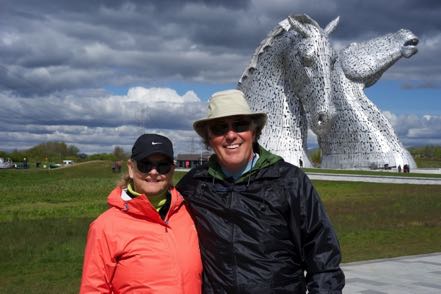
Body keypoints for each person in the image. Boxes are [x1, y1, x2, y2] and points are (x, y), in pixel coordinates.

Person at [177, 89, 345, 293]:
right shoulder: (194, 185)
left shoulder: (288, 181)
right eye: (220, 128)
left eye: (240, 125)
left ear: (254, 131)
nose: (231, 135)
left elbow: (322, 254)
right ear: (209, 137)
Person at [80, 134, 202, 293]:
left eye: (162, 166)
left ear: (172, 170)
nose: (153, 172)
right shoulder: (105, 226)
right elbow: (93, 289)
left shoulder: (190, 213)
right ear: (131, 168)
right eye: (145, 165)